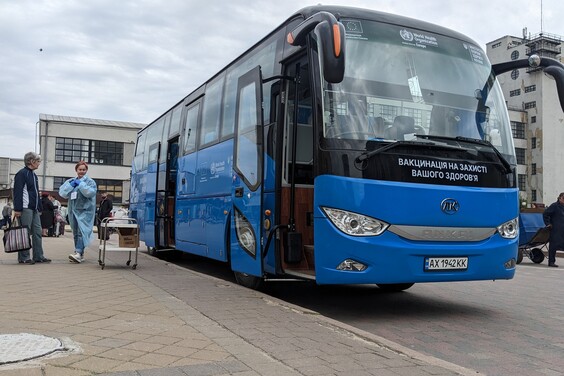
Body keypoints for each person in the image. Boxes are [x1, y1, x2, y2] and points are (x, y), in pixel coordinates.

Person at [12, 152, 51, 264]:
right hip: (25, 208)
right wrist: (18, 209)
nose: (39, 163)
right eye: (38, 161)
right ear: (32, 161)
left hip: (34, 208)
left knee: (38, 232)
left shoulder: (33, 175)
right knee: (25, 232)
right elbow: (17, 192)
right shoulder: (22, 174)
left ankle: (38, 256)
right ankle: (24, 257)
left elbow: (35, 193)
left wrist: (39, 207)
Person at [59, 161, 97, 263]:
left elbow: (90, 193)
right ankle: (79, 253)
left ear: (86, 170)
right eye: (80, 169)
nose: (82, 171)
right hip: (73, 211)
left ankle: (78, 252)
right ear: (76, 170)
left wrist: (81, 184)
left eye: (84, 169)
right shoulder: (71, 181)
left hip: (85, 212)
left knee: (82, 232)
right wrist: (71, 185)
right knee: (76, 233)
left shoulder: (90, 182)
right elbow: (62, 193)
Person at [543, 192, 564, 267]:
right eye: (563, 198)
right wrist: (548, 224)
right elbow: (545, 214)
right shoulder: (554, 206)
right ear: (560, 198)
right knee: (553, 246)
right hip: (556, 230)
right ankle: (551, 262)